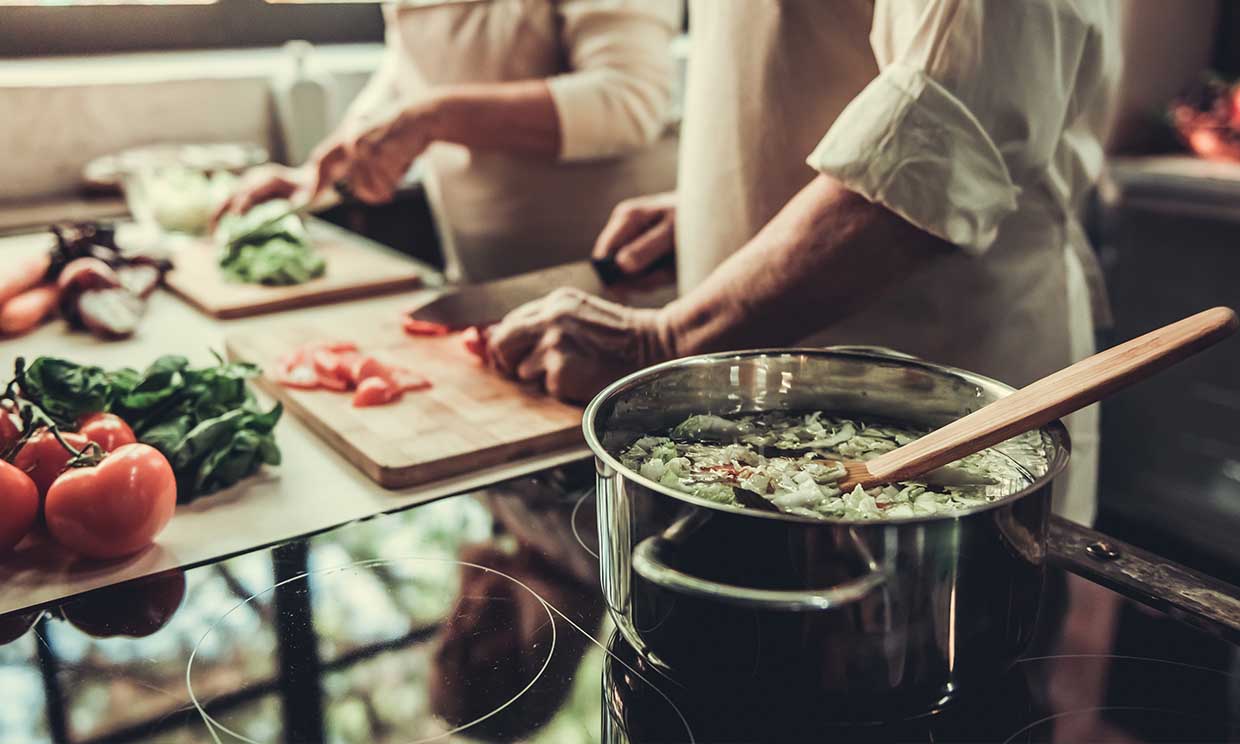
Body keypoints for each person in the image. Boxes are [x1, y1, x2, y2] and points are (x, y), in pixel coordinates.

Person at [485, 0, 1122, 525]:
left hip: (942, 424)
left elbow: (946, 133)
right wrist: (718, 205)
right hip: (757, 437)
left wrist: (661, 341)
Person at [216, 0, 680, 282]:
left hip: (619, 280)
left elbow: (629, 101)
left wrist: (435, 116)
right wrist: (318, 175)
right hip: (480, 280)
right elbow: (409, 71)